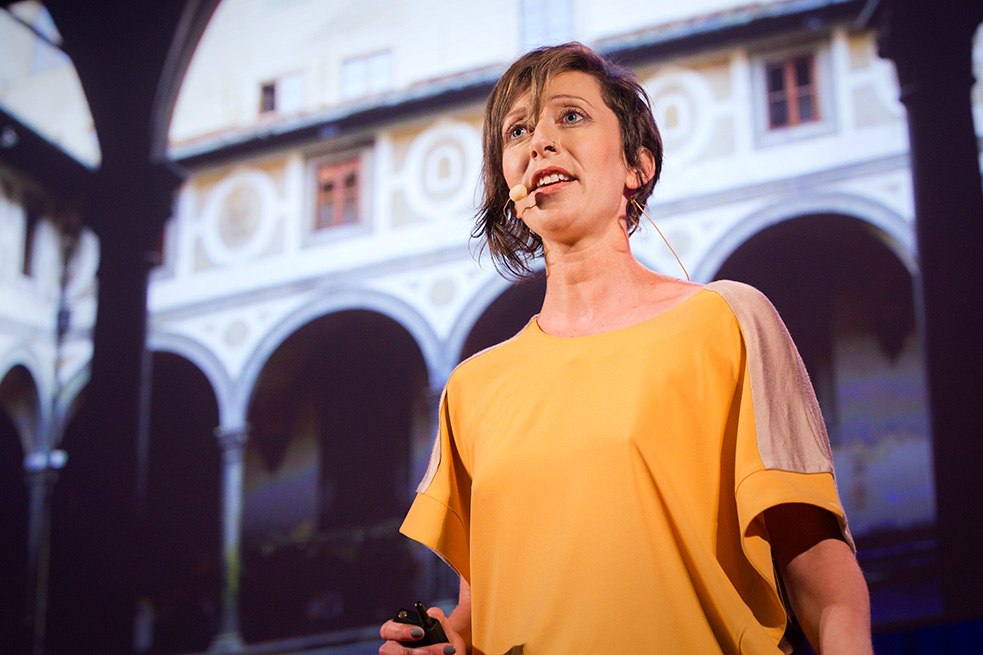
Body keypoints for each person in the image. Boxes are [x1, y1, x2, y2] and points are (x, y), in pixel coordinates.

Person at [380, 42, 872, 655]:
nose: (540, 143)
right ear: (509, 186)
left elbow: (820, 573)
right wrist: (443, 643)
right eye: (518, 131)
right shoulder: (473, 388)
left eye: (572, 116)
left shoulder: (724, 321)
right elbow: (481, 609)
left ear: (636, 165)